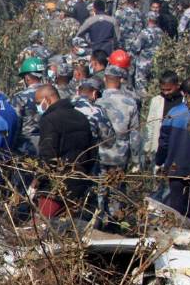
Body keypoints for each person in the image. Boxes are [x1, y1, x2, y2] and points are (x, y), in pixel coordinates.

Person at [33, 84, 98, 218]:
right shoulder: (81, 117)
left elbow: (48, 155)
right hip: (79, 181)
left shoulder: (49, 120)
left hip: (55, 186)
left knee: (45, 227)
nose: (38, 107)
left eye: (39, 103)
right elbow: (91, 151)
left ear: (48, 99)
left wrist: (38, 180)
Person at [155, 76, 190, 218]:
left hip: (175, 167)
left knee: (177, 207)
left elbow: (163, 141)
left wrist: (159, 161)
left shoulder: (173, 113)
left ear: (183, 93)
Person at [97, 65, 144, 220]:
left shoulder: (98, 102)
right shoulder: (130, 102)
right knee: (117, 188)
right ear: (120, 80)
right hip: (120, 154)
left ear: (105, 79)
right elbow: (135, 133)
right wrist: (136, 159)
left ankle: (97, 218)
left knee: (99, 186)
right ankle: (114, 220)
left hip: (100, 152)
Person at [11, 57, 45, 157]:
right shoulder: (51, 93)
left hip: (26, 145)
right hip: (48, 142)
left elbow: (16, 124)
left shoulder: (20, 97)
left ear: (27, 78)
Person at [72, 77, 116, 152]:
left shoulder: (65, 105)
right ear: (94, 93)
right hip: (87, 156)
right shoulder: (96, 111)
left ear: (78, 91)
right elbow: (109, 140)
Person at [134, 12, 164, 94]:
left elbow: (136, 47)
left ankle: (142, 102)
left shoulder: (145, 32)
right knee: (153, 83)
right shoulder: (161, 32)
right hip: (156, 62)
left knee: (141, 84)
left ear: (148, 19)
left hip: (143, 62)